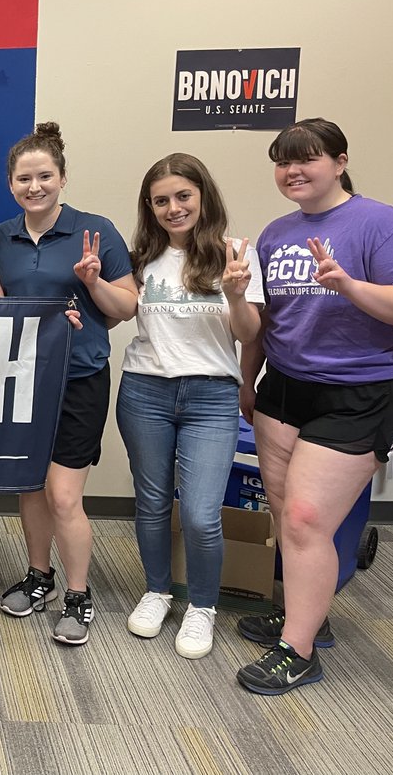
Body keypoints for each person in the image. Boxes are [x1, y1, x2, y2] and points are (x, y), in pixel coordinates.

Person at [235, 118, 393, 694]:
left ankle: (300, 650)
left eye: (307, 158)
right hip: (284, 387)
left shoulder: (380, 223)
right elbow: (263, 325)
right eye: (283, 161)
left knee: (308, 519)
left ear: (339, 161)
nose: (293, 171)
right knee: (287, 512)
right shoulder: (276, 232)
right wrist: (247, 380)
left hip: (359, 391)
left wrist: (349, 286)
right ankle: (305, 618)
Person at [0, 122, 138, 645]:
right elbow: (0, 312)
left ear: (62, 178)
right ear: (10, 183)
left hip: (79, 378)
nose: (35, 187)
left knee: (63, 494)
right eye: (24, 178)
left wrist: (94, 281)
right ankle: (40, 577)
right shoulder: (2, 237)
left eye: (45, 176)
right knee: (30, 485)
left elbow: (126, 309)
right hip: (22, 379)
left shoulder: (95, 230)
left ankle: (79, 593)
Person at [116, 153, 263, 660]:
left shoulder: (236, 253)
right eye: (161, 200)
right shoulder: (140, 258)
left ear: (203, 196)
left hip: (211, 395)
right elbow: (116, 311)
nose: (173, 208)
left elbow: (248, 335)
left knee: (201, 514)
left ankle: (202, 606)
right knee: (152, 504)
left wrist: (237, 296)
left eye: (183, 196)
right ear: (150, 207)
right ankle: (157, 591)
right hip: (145, 391)